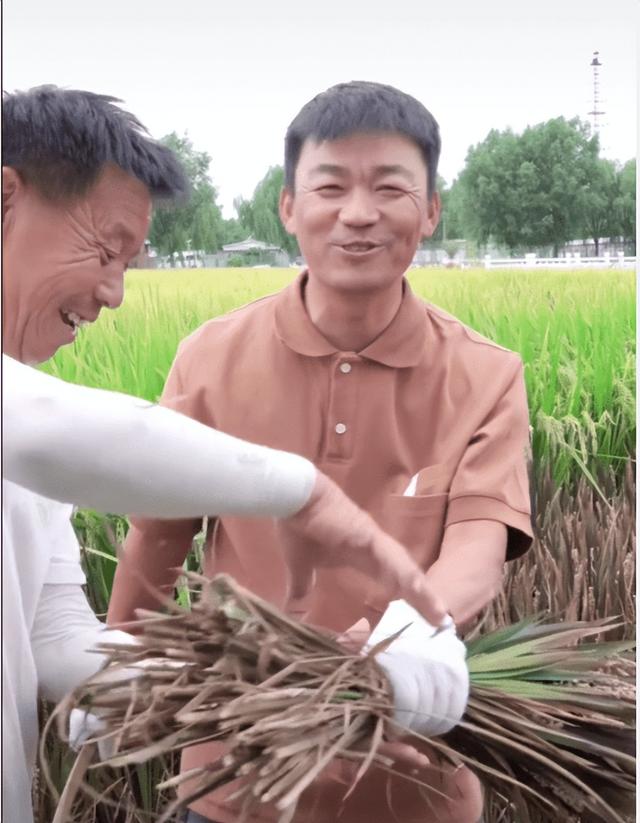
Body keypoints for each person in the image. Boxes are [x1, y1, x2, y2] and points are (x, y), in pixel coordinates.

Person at [1, 85, 449, 823]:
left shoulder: (43, 428)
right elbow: (45, 431)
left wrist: (269, 681)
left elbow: (52, 632)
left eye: (129, 263)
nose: (114, 293)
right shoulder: (43, 423)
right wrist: (303, 492)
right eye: (105, 250)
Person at [108, 81, 534, 823]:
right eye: (330, 186)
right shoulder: (210, 357)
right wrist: (115, 667)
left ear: (430, 210)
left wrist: (409, 631)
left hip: (416, 785)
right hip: (234, 779)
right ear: (288, 207)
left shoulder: (486, 374)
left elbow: (478, 549)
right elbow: (157, 538)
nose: (358, 212)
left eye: (390, 187)